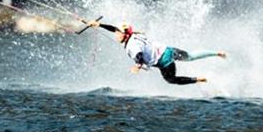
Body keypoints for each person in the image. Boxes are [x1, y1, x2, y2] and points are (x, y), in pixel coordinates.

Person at [85, 20, 225, 85]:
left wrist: (138, 66)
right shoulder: (133, 34)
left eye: (118, 34)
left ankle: (199, 80)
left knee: (171, 80)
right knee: (190, 56)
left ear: (125, 35)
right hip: (169, 50)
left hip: (164, 62)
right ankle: (217, 53)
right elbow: (115, 28)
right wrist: (99, 25)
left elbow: (139, 56)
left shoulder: (132, 45)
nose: (116, 35)